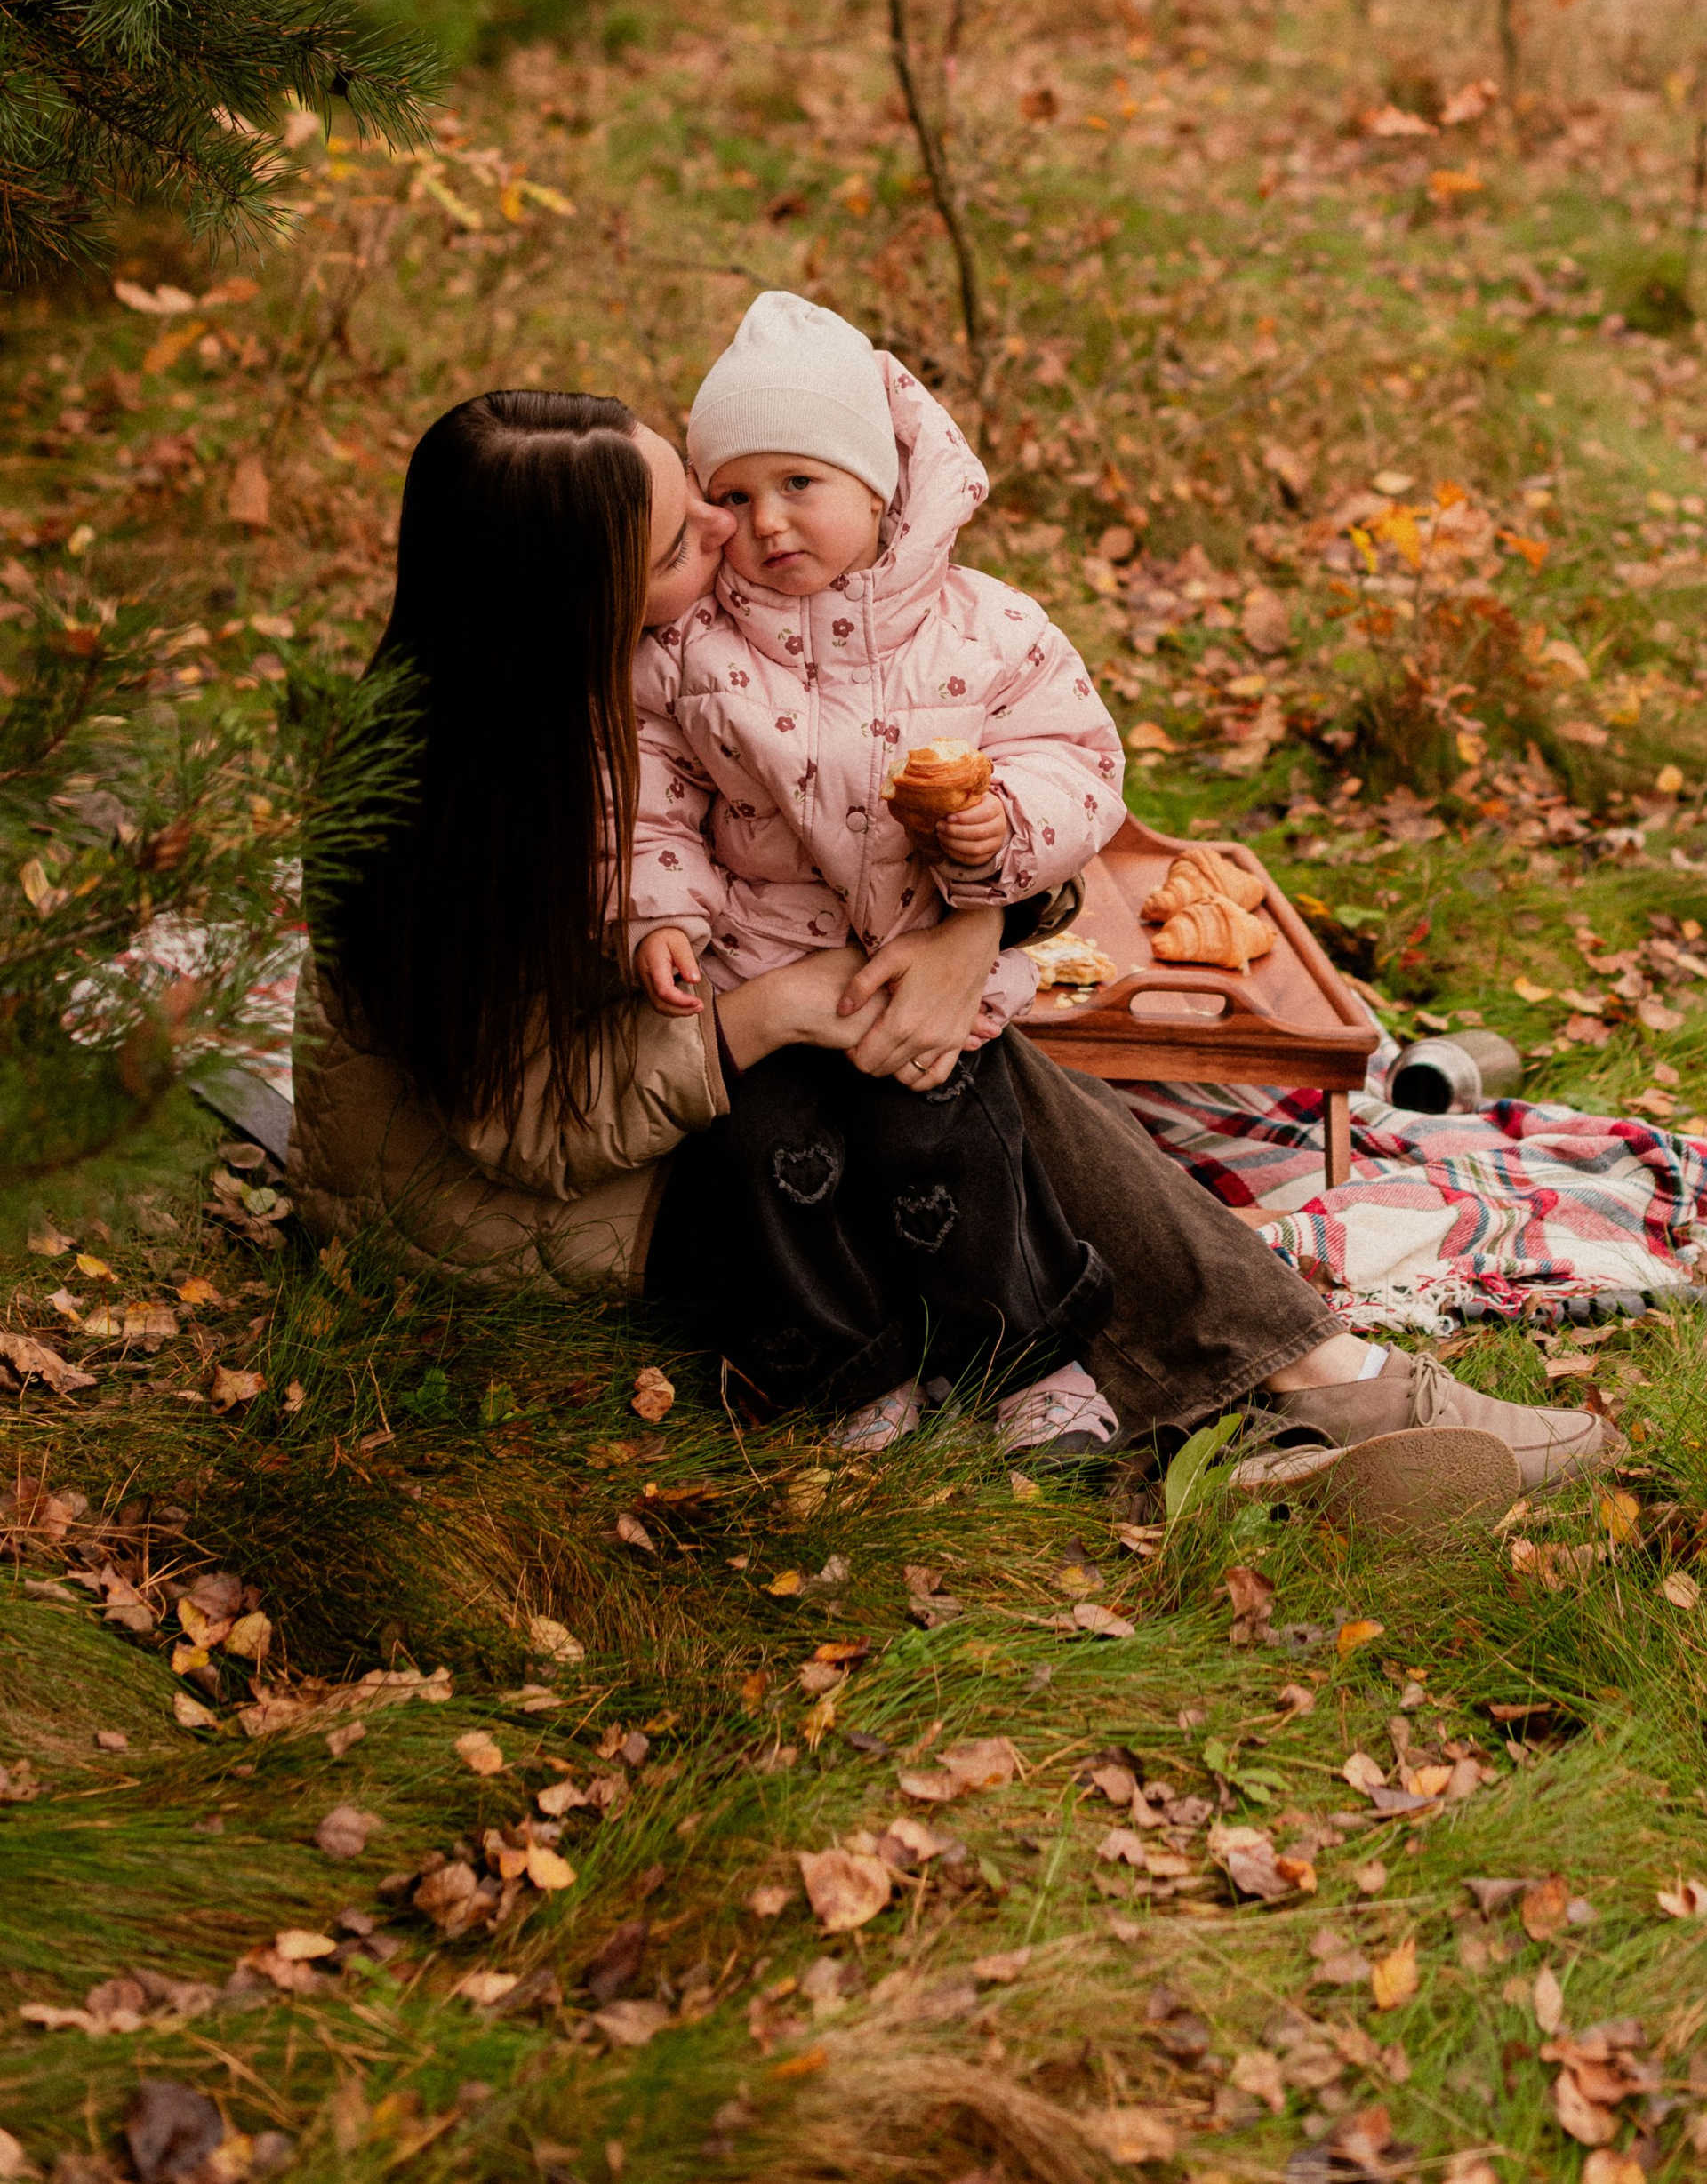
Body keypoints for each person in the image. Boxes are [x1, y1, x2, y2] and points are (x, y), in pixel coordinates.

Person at [286, 385, 1611, 1513]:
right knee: (965, 1081)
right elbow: (533, 1131)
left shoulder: (610, 684)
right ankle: (1284, 1402)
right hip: (515, 1217)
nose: (727, 529)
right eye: (685, 535)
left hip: (667, 1112)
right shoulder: (454, 804)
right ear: (589, 597)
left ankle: (1271, 1399)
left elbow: (843, 827)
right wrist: (775, 1011)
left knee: (946, 1048)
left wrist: (969, 929)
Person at [629, 292, 1129, 1452]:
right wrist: (659, 912)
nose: (768, 524)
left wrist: (998, 831)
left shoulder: (984, 629)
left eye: (800, 484)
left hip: (918, 955)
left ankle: (1027, 1366)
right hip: (761, 960)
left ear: (880, 486)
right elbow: (653, 790)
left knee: (951, 1139)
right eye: (737, 496)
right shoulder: (692, 648)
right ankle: (849, 1374)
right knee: (768, 1158)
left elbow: (1080, 759)